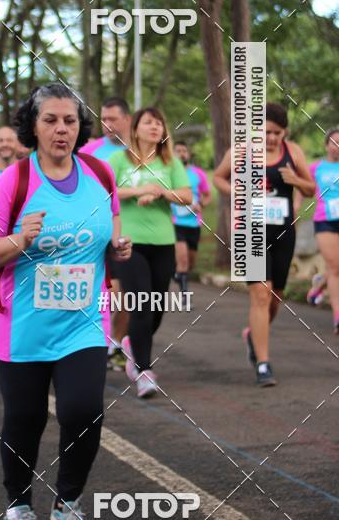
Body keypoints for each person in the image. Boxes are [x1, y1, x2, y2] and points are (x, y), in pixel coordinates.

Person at [0, 83, 131, 520]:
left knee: (84, 411)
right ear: (33, 126)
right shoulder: (15, 181)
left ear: (81, 128)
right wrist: (20, 239)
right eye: (51, 120)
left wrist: (118, 248)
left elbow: (111, 229)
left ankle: (68, 503)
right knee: (26, 418)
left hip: (82, 321)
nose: (62, 129)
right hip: (22, 325)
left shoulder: (100, 172)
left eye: (70, 121)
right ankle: (18, 505)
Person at [213, 102, 315, 386]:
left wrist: (295, 179)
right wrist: (236, 191)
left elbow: (310, 189)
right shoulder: (242, 151)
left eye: (278, 133)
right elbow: (219, 177)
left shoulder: (292, 152)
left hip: (283, 231)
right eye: (267, 132)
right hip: (250, 231)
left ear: (285, 132)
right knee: (261, 293)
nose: (272, 138)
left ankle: (252, 336)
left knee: (275, 296)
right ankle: (263, 364)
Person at [109, 108, 192, 398]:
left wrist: (160, 192)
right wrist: (137, 190)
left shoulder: (170, 161)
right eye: (149, 122)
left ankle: (132, 344)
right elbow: (105, 190)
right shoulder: (118, 160)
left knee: (156, 307)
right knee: (141, 304)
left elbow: (187, 196)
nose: (155, 127)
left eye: (159, 122)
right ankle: (143, 370)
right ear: (135, 128)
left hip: (163, 242)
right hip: (128, 242)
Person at [81, 97, 132, 371]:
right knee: (106, 294)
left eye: (113, 119)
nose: (108, 124)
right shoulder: (90, 151)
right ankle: (97, 345)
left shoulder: (139, 151)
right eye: (104, 119)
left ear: (127, 120)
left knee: (127, 297)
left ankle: (115, 343)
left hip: (132, 234)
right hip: (99, 232)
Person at [309, 127, 339, 334]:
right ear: (327, 145)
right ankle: (338, 315)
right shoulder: (316, 168)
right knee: (335, 267)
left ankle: (319, 285)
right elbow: (305, 190)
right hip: (325, 220)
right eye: (335, 142)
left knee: (335, 267)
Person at [172, 141, 211, 293]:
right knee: (183, 260)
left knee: (190, 262)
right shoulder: (170, 172)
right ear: (173, 153)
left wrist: (200, 204)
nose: (181, 153)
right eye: (178, 150)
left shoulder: (198, 173)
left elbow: (207, 196)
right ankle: (184, 296)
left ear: (188, 154)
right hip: (175, 222)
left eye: (184, 150)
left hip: (194, 223)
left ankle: (177, 274)